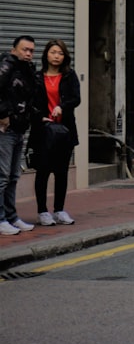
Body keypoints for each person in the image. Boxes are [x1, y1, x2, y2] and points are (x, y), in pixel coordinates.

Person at [29, 39, 80, 226]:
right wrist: (39, 116)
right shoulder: (37, 77)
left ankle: (59, 210)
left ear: (64, 56)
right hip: (43, 132)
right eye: (53, 52)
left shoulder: (69, 75)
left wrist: (62, 107)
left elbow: (76, 99)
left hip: (64, 131)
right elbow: (30, 103)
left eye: (60, 53)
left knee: (61, 172)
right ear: (46, 55)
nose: (56, 56)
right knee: (42, 172)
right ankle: (42, 211)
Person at [0, 35, 40, 236]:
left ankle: (11, 216)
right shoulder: (6, 66)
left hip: (20, 128)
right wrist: (3, 115)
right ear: (14, 49)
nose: (28, 54)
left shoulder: (27, 70)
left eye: (31, 50)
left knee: (14, 176)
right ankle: (0, 219)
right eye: (25, 49)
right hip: (5, 130)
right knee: (2, 176)